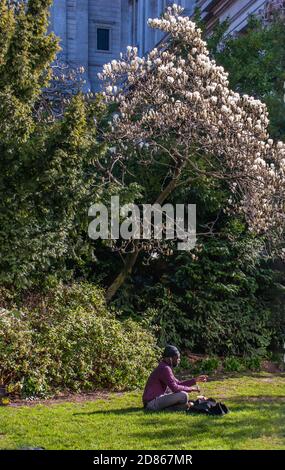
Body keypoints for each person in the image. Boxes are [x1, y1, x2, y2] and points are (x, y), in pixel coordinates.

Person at [143, 345, 208, 412]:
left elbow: (178, 383)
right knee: (183, 395)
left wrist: (195, 380)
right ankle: (170, 409)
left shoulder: (165, 366)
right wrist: (192, 389)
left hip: (153, 401)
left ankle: (176, 408)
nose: (178, 360)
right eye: (177, 358)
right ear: (170, 358)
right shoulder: (165, 368)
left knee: (181, 396)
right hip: (151, 403)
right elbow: (175, 388)